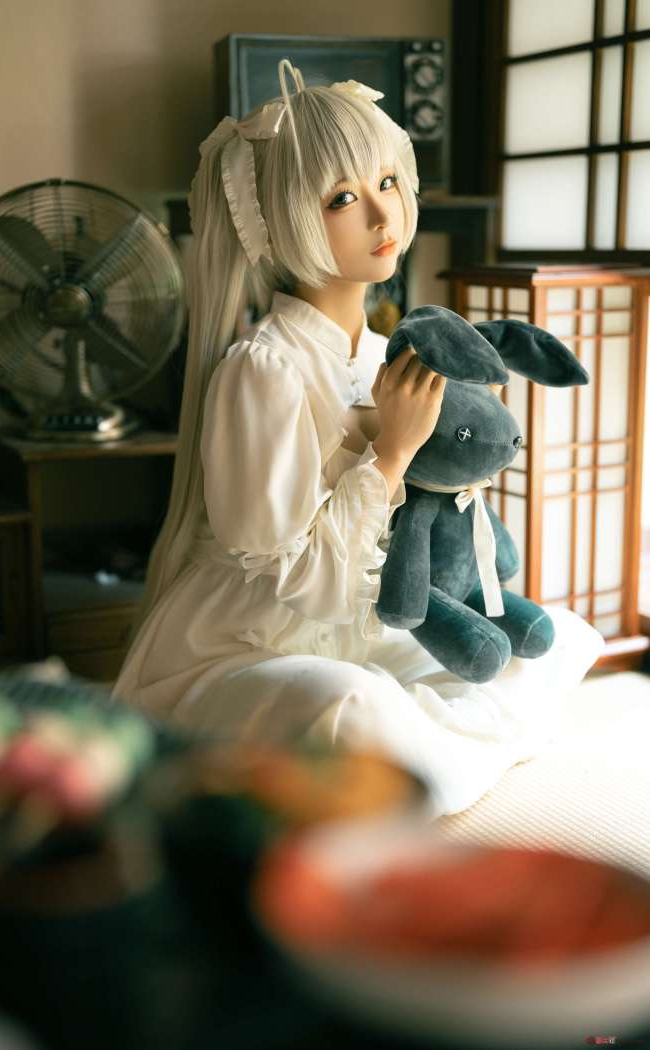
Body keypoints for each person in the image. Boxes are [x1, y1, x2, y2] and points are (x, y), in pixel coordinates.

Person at [112, 60, 604, 819]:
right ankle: (425, 756)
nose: (383, 215)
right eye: (342, 198)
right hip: (254, 645)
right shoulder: (262, 369)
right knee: (346, 705)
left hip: (366, 628)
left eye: (388, 182)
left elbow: (416, 544)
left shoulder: (387, 356)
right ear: (283, 223)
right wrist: (393, 452)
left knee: (561, 636)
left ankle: (413, 763)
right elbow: (293, 578)